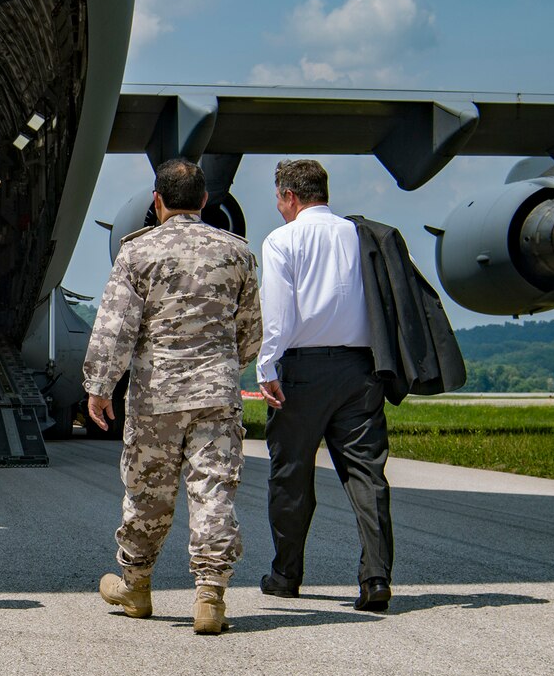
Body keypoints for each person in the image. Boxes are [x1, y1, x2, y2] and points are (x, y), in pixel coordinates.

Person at [83, 159, 263, 635]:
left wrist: (100, 387)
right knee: (213, 491)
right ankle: (210, 595)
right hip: (217, 394)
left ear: (156, 202)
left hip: (156, 396)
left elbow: (115, 327)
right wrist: (224, 368)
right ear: (205, 201)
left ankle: (137, 587)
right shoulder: (237, 253)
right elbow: (250, 332)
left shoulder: (138, 253)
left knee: (147, 492)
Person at [257, 159, 395, 612]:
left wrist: (266, 368)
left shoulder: (282, 240)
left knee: (291, 474)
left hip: (302, 373)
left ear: (290, 197)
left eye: (279, 199)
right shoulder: (360, 235)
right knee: (366, 475)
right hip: (360, 371)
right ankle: (375, 578)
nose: (278, 208)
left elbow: (276, 315)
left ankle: (286, 575)